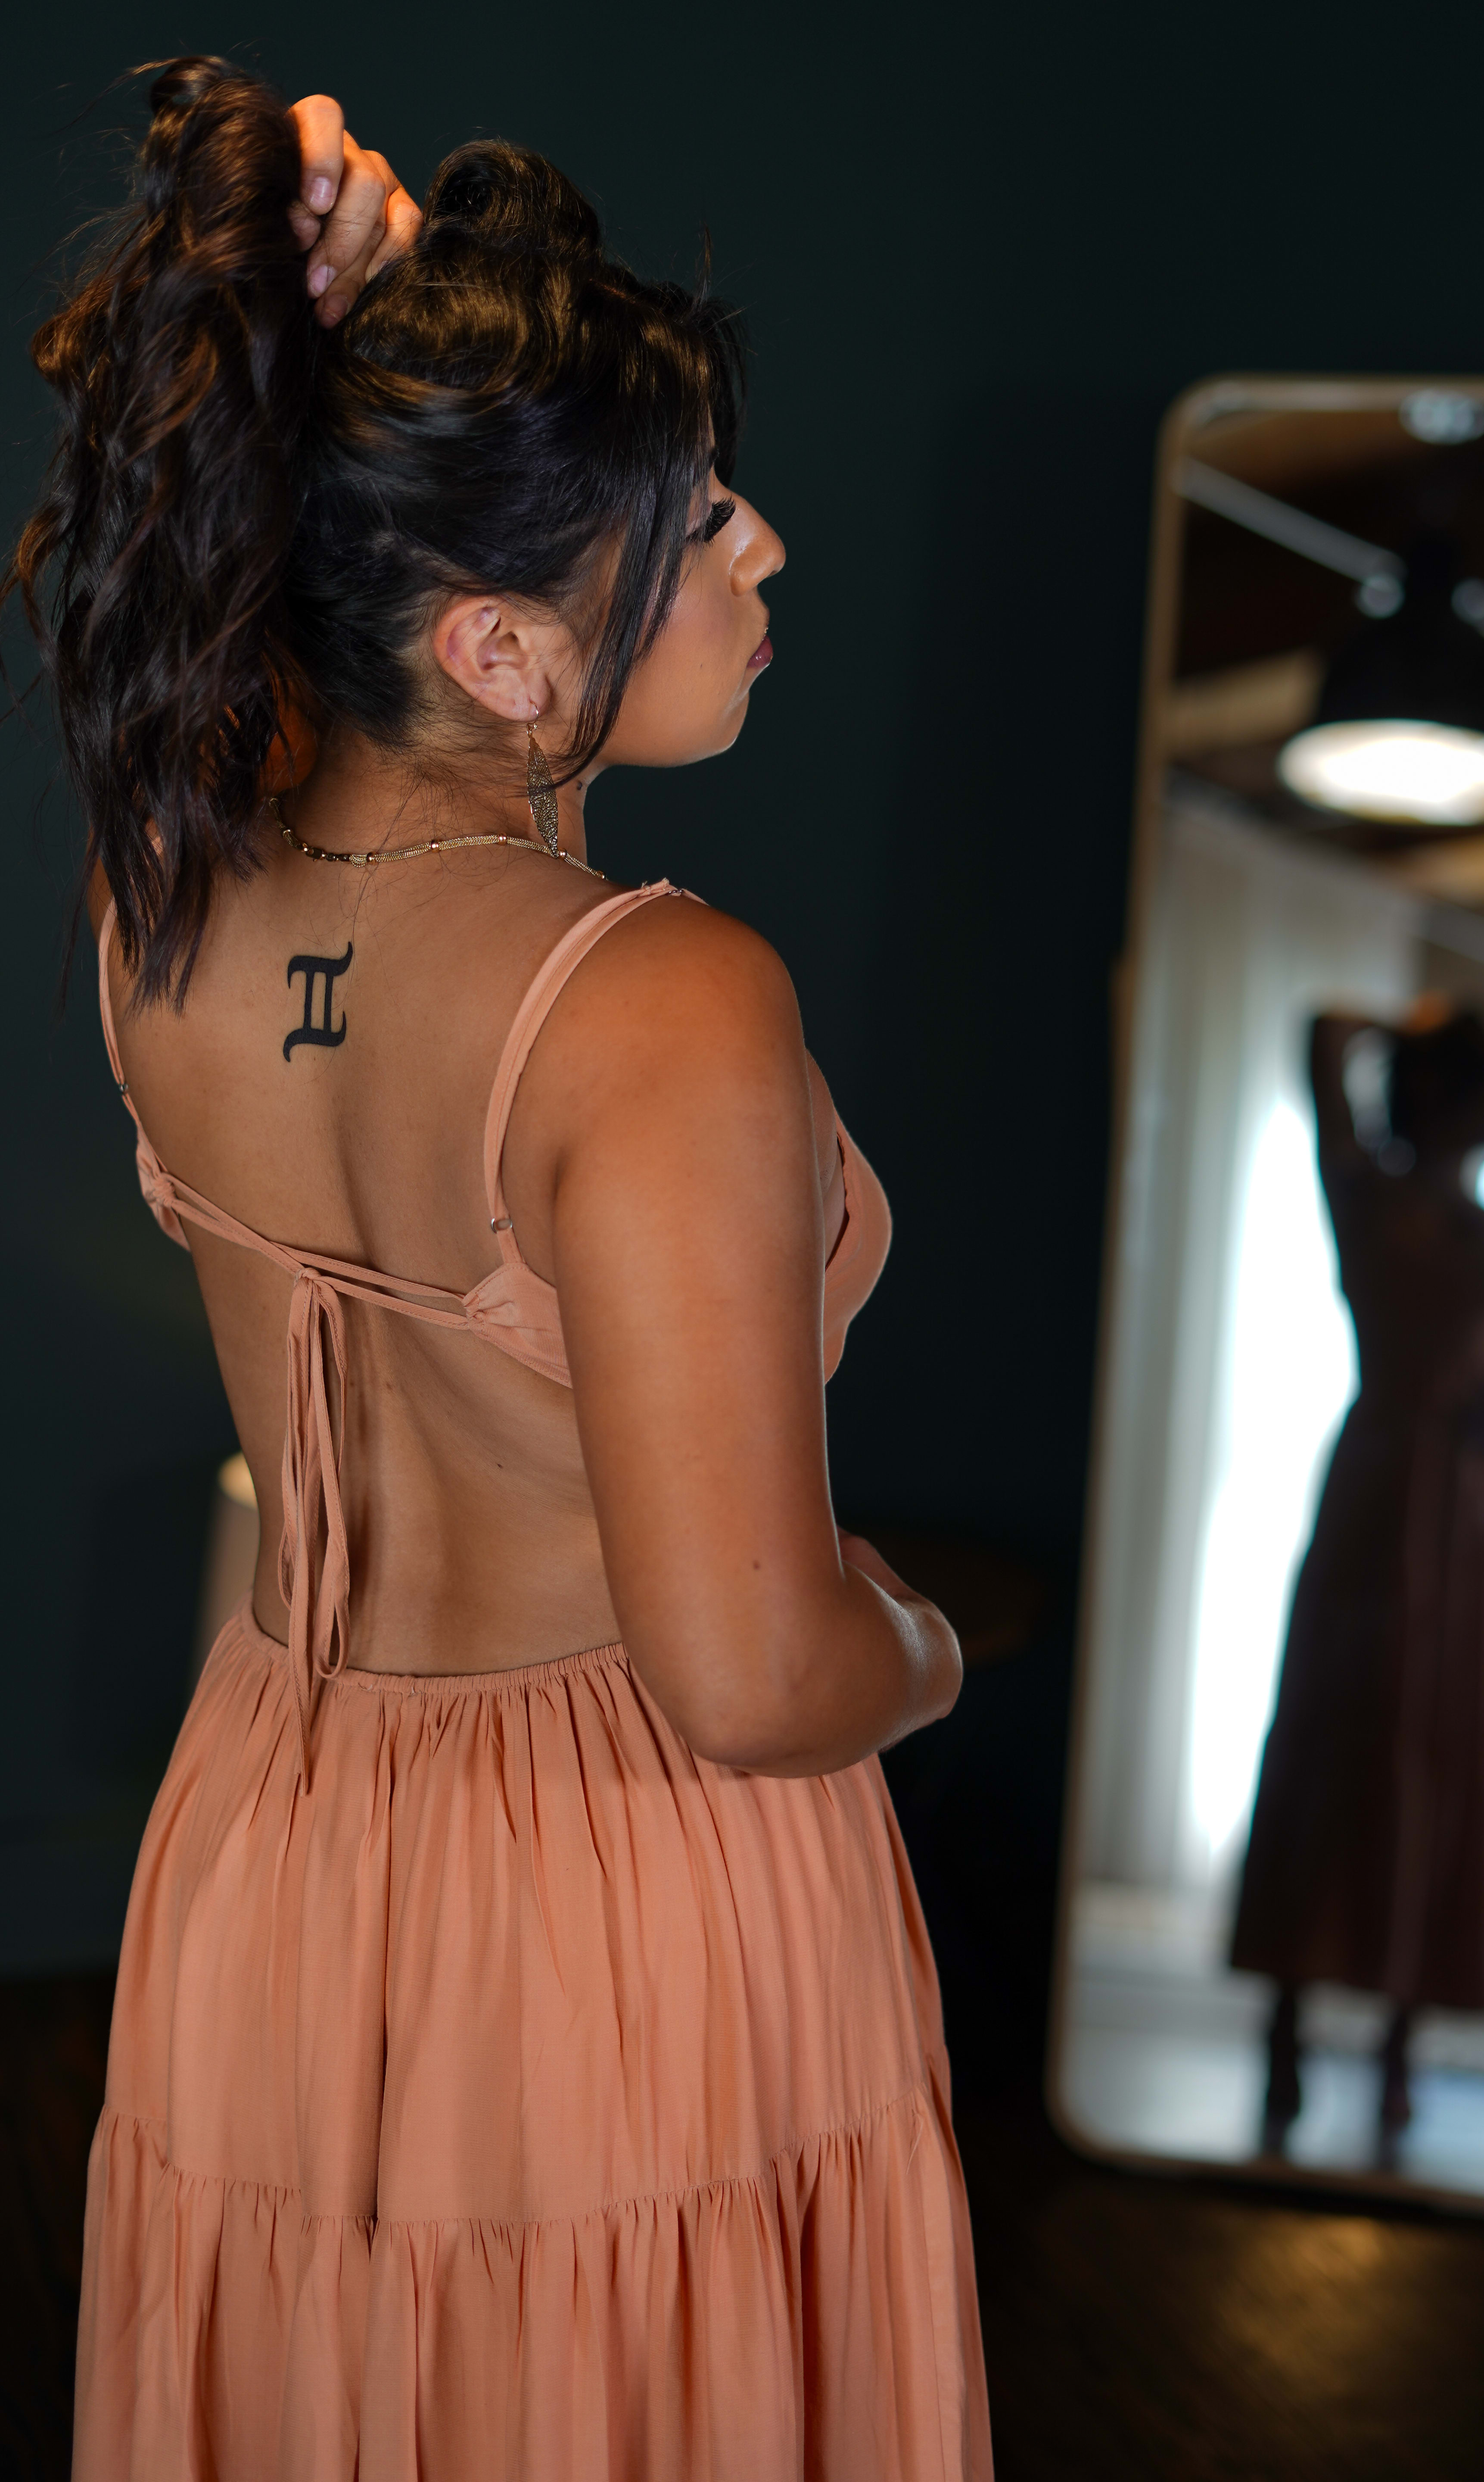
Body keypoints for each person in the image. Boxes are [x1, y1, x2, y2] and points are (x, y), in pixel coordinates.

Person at [9, 59, 988, 2479]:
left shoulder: (170, 891)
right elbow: (757, 1675)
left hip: (271, 1844)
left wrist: (326, 355)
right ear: (507, 658)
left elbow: (252, 598)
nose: (766, 556)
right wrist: (939, 1641)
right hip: (620, 1903)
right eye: (705, 518)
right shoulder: (655, 1002)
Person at [1229, 1004, 1484, 2155]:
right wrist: (1417, 1026)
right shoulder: (1366, 1196)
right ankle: (1287, 2020)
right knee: (1351, 1736)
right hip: (1384, 1497)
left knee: (1454, 1750)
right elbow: (1322, 1035)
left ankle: (1400, 2046)